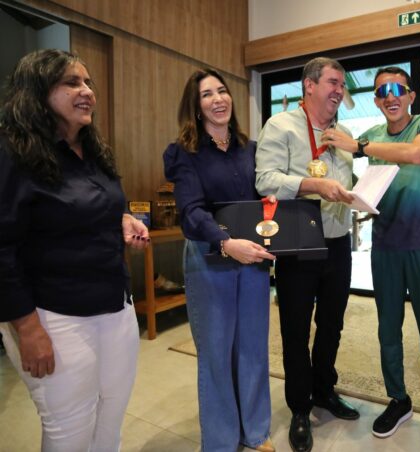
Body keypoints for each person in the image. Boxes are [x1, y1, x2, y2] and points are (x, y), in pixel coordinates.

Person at [0, 49, 149, 451]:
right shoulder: (12, 152)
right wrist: (27, 329)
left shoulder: (93, 149)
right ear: (37, 91)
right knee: (70, 432)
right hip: (54, 315)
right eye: (71, 82)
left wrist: (121, 219)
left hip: (115, 306)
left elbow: (88, 206)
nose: (86, 91)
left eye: (87, 82)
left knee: (110, 420)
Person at [321, 66, 420, 450]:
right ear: (377, 101)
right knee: (387, 329)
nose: (389, 96)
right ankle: (399, 400)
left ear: (410, 95)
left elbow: (416, 154)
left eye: (396, 89)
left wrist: (358, 147)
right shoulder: (373, 135)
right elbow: (359, 179)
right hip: (386, 248)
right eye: (381, 92)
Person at [163, 68, 276, 452]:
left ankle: (255, 431)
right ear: (196, 107)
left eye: (222, 91)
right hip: (210, 258)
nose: (218, 99)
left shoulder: (251, 149)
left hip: (253, 260)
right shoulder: (185, 152)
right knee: (216, 353)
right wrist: (227, 243)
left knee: (253, 347)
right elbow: (191, 212)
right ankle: (221, 441)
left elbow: (266, 199)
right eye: (207, 94)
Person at [255, 56, 358, 452]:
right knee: (296, 329)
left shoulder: (344, 133)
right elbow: (265, 180)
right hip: (299, 240)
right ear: (309, 85)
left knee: (332, 323)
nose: (339, 91)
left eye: (342, 85)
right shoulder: (280, 125)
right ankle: (300, 407)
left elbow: (345, 183)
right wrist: (314, 185)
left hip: (339, 241)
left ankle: (324, 391)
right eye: (333, 82)